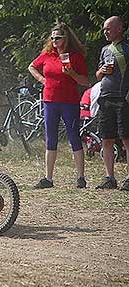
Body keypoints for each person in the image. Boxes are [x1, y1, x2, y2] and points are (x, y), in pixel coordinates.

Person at [28, 22, 89, 189]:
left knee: (74, 137)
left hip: (69, 102)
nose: (54, 40)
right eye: (52, 37)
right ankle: (48, 178)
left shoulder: (76, 56)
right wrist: (42, 80)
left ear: (66, 38)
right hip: (50, 101)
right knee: (50, 138)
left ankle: (81, 177)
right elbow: (32, 66)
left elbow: (85, 81)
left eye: (58, 38)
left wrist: (72, 74)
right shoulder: (48, 54)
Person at [95, 16, 129, 191]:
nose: (105, 32)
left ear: (119, 28)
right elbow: (98, 75)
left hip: (123, 99)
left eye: (108, 29)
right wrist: (101, 70)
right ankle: (110, 178)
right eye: (104, 29)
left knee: (126, 139)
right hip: (105, 98)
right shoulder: (105, 50)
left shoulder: (127, 48)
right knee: (106, 139)